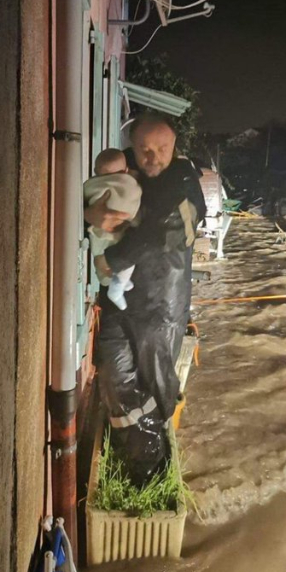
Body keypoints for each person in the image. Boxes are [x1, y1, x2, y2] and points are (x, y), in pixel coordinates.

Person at [84, 113, 206, 486]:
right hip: (119, 301)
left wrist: (112, 259)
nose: (153, 158)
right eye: (145, 150)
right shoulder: (122, 168)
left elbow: (169, 230)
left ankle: (152, 471)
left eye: (162, 149)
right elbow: (87, 198)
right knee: (115, 376)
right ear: (133, 148)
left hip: (161, 304)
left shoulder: (185, 181)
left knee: (156, 383)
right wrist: (90, 212)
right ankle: (142, 456)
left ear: (175, 147)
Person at [84, 148, 143, 310]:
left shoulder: (93, 185)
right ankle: (118, 287)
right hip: (120, 235)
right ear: (126, 170)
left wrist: (88, 213)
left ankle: (118, 283)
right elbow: (134, 197)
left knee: (104, 259)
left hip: (99, 233)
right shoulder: (130, 184)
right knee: (126, 257)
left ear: (96, 171)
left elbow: (85, 198)